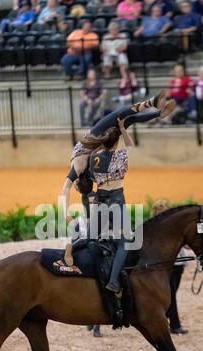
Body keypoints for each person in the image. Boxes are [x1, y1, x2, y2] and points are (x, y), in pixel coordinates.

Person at [62, 90, 176, 264]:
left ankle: (157, 110)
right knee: (122, 118)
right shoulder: (83, 165)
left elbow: (68, 188)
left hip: (91, 141)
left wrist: (66, 213)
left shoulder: (85, 166)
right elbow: (70, 189)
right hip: (94, 139)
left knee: (124, 119)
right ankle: (154, 107)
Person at [152, 200, 188, 335]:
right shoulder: (154, 228)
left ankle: (165, 318)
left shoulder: (176, 227)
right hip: (165, 267)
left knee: (172, 293)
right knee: (171, 294)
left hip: (179, 265)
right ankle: (175, 325)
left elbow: (186, 244)